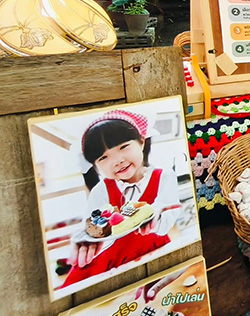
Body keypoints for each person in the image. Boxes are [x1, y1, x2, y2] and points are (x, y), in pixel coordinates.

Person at [61, 110, 181, 287]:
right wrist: (85, 238)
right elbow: (92, 227)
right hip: (110, 262)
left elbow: (165, 224)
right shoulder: (101, 190)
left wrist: (154, 216)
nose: (117, 160)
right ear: (95, 166)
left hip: (153, 252)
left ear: (141, 142)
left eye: (123, 147)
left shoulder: (164, 177)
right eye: (103, 157)